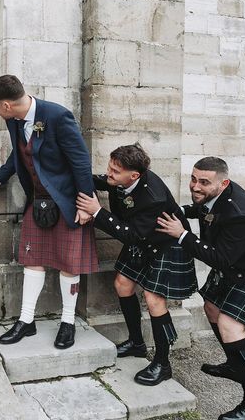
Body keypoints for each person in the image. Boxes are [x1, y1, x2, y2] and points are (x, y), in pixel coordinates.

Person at [0, 74, 98, 350]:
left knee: (68, 263)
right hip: (38, 200)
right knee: (32, 259)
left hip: (68, 201)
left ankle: (68, 322)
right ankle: (26, 321)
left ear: (6, 105)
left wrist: (86, 203)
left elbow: (80, 161)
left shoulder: (57, 116)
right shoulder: (13, 120)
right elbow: (17, 156)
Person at [157, 157, 245, 420]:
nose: (195, 186)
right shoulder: (217, 195)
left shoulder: (241, 214)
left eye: (203, 182)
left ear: (223, 183)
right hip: (235, 262)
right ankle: (236, 364)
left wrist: (181, 234)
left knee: (229, 324)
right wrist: (181, 211)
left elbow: (221, 259)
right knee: (211, 307)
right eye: (193, 178)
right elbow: (204, 210)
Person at [76, 144, 197, 386]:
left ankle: (163, 364)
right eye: (109, 167)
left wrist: (97, 212)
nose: (109, 173)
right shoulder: (122, 179)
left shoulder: (152, 196)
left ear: (134, 176)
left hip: (167, 244)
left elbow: (130, 234)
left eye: (115, 171)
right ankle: (137, 343)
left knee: (154, 299)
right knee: (122, 284)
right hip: (143, 238)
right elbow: (100, 181)